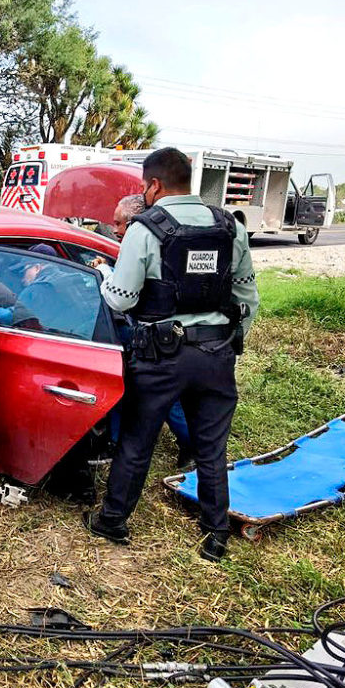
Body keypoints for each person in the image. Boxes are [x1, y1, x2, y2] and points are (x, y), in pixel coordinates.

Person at [87, 147, 259, 563]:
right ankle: (216, 535)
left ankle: (114, 520)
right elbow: (247, 294)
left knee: (137, 440)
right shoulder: (229, 226)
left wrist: (104, 278)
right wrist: (230, 339)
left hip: (161, 355)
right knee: (211, 448)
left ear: (154, 185)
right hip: (217, 353)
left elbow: (123, 299)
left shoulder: (147, 228)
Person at [110, 195, 192, 467]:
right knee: (165, 399)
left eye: (119, 223)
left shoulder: (141, 244)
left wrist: (105, 276)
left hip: (154, 340)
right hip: (172, 337)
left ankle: (191, 447)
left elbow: (122, 298)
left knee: (163, 400)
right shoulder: (166, 242)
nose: (115, 229)